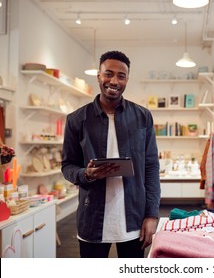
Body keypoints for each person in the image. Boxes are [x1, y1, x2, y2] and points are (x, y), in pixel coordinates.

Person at [61, 50, 161, 258]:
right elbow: (68, 165)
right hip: (91, 218)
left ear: (127, 80)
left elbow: (151, 168)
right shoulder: (77, 119)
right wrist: (86, 174)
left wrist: (152, 215)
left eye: (121, 76)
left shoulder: (143, 117)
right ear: (98, 76)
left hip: (134, 219)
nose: (114, 81)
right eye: (108, 74)